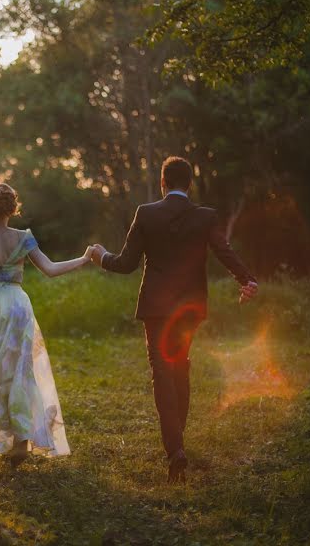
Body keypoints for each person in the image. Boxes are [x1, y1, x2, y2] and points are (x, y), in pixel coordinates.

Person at [90, 156, 258, 483]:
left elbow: (125, 264)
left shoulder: (146, 213)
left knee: (161, 370)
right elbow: (225, 251)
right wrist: (246, 279)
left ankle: (175, 450)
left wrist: (100, 257)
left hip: (155, 306)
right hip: (190, 308)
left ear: (162, 183)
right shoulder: (205, 216)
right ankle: (177, 437)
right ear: (190, 185)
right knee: (180, 364)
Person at [0, 182, 94, 467]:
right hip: (16, 305)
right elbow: (49, 269)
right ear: (13, 209)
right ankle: (22, 441)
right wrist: (85, 258)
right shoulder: (24, 238)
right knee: (19, 371)